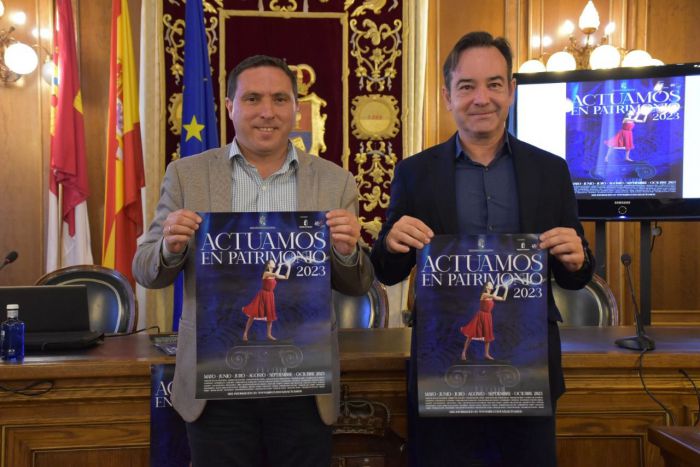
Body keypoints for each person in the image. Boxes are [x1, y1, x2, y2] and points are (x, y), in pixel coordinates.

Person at [133, 54, 374, 467]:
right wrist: (170, 247)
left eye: (280, 99)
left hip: (302, 385)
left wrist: (348, 251)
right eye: (253, 99)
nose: (267, 112)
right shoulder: (187, 175)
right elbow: (145, 270)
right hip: (215, 385)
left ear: (295, 108)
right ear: (230, 106)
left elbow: (357, 284)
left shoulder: (335, 181)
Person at [371, 32, 594, 467]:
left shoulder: (551, 170)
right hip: (443, 369)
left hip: (529, 370)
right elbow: (387, 268)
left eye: (494, 84)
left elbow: (575, 273)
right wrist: (393, 243)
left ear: (511, 90)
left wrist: (578, 257)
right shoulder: (415, 173)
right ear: (447, 96)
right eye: (467, 86)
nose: (481, 98)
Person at [242, 259, 290, 341]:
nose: (274, 263)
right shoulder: (266, 273)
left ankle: (269, 334)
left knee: (269, 315)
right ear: (268, 265)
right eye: (272, 262)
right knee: (253, 314)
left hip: (270, 296)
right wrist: (280, 266)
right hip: (262, 295)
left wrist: (289, 267)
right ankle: (245, 333)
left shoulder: (273, 274)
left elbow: (286, 277)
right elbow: (276, 275)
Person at [459, 281, 506, 361]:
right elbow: (494, 296)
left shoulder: (491, 296)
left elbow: (503, 298)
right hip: (481, 316)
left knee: (488, 335)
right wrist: (498, 288)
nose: (492, 285)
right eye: (490, 284)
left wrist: (506, 289)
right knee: (471, 334)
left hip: (488, 317)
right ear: (487, 287)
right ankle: (463, 352)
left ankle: (486, 354)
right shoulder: (484, 294)